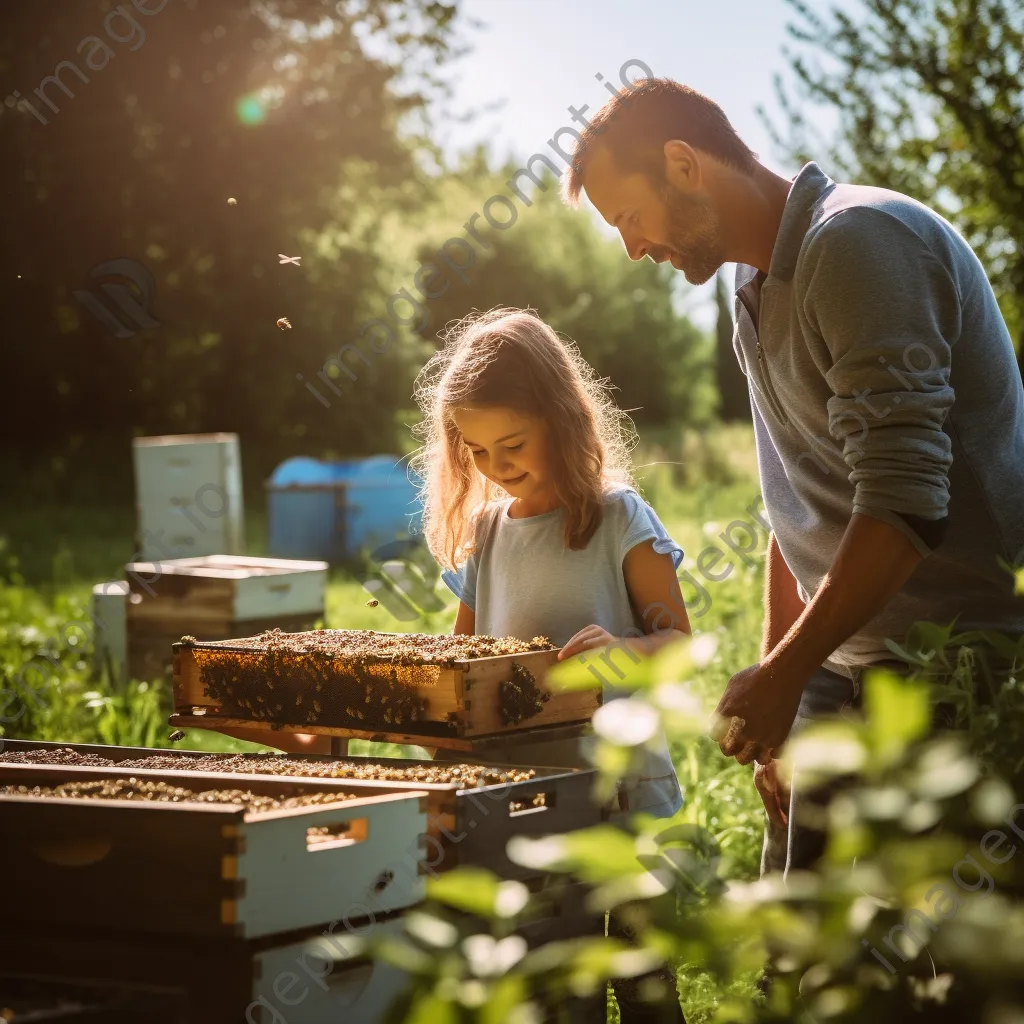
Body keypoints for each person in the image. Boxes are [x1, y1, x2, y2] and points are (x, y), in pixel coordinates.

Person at [560, 77, 1024, 877]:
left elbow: (904, 503)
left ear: (681, 164)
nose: (633, 248)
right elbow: (798, 500)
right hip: (842, 661)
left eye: (629, 218)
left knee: (927, 979)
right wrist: (784, 690)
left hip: (956, 666)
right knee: (800, 962)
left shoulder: (860, 243)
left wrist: (785, 673)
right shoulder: (754, 289)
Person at [411, 305, 690, 1024]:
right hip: (524, 804)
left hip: (621, 795)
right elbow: (463, 667)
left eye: (513, 445)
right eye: (476, 452)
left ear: (561, 421)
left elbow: (679, 645)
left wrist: (625, 653)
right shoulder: (489, 533)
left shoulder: (619, 517)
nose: (498, 469)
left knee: (644, 982)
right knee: (552, 989)